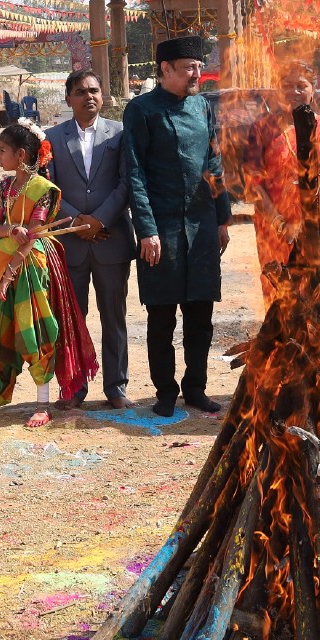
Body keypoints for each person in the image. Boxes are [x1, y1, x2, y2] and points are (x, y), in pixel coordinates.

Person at [125, 35, 232, 418]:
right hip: (162, 228)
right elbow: (135, 174)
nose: (197, 74)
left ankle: (196, 388)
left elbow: (214, 163)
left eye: (199, 67)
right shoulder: (141, 110)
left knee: (201, 315)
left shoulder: (203, 106)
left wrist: (222, 216)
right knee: (161, 315)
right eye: (189, 67)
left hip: (202, 226)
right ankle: (165, 391)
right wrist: (147, 230)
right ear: (165, 69)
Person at [0, 121, 97, 426]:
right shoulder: (4, 187)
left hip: (30, 266)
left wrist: (11, 273)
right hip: (1, 261)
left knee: (35, 330)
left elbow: (36, 235)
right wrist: (12, 230)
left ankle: (42, 403)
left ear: (21, 154)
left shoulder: (43, 190)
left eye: (2, 150)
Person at [45, 69, 135, 409]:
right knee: (70, 319)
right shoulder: (51, 138)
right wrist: (76, 220)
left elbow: (127, 183)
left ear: (104, 95)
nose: (89, 97)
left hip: (110, 239)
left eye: (95, 90)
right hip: (69, 242)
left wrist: (99, 220)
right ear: (69, 98)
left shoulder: (121, 134)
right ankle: (73, 387)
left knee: (114, 317)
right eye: (81, 92)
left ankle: (117, 386)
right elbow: (47, 188)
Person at [248, 61, 320, 301]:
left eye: (301, 85)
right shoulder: (261, 129)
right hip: (277, 233)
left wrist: (314, 222)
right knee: (281, 299)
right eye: (287, 85)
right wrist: (281, 224)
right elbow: (254, 184)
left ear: (312, 89)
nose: (294, 91)